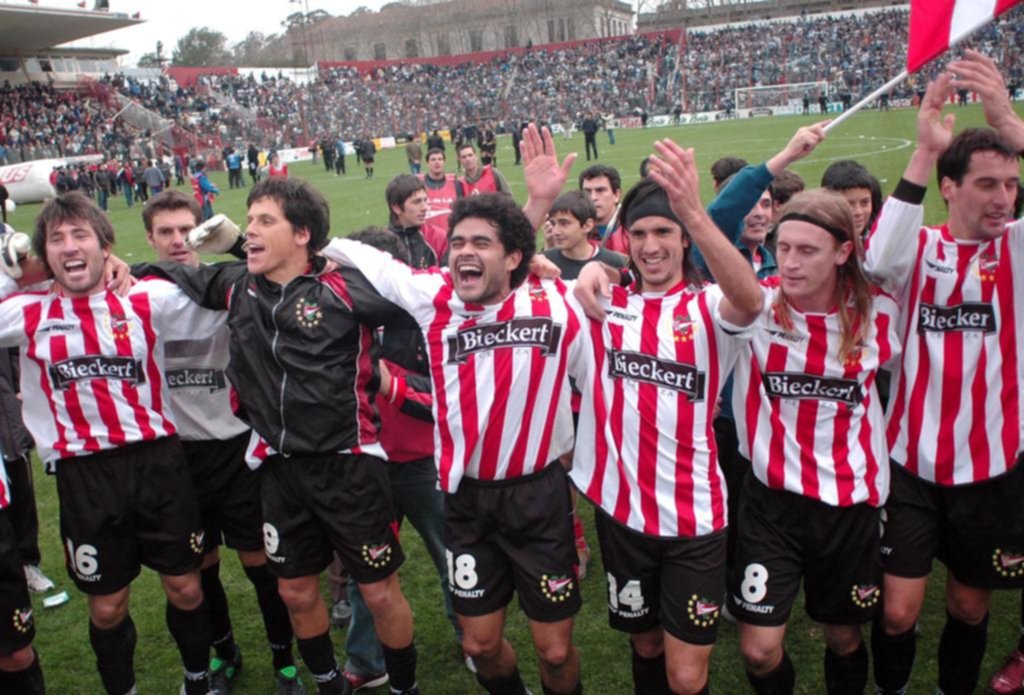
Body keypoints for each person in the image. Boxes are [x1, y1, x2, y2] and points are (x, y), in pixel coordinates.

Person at [321, 125, 585, 695]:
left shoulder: (559, 302)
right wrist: (265, 237)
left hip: (539, 495)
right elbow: (351, 250)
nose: (464, 251)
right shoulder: (433, 294)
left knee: (557, 651)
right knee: (481, 647)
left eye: (481, 243)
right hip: (465, 498)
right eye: (457, 242)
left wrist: (542, 210)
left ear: (515, 257)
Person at [133, 178, 423, 695]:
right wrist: (125, 269)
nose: (250, 230)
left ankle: (404, 687)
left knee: (379, 593)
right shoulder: (235, 285)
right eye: (250, 220)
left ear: (304, 234)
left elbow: (430, 301)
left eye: (266, 221)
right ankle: (327, 682)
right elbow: (179, 272)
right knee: (293, 591)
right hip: (279, 470)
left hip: (349, 465)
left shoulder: (345, 288)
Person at [0, 193, 225, 695]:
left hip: (159, 464)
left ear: (105, 245)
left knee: (187, 589)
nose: (69, 246)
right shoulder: (26, 312)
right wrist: (16, 269)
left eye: (81, 234)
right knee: (107, 606)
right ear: (43, 254)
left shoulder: (145, 298)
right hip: (86, 478)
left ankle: (197, 679)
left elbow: (223, 293)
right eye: (56, 239)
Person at [569, 138, 764, 694]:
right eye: (641, 233)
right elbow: (526, 283)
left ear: (683, 238)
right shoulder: (604, 304)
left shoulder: (707, 306)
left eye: (664, 232)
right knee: (646, 644)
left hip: (695, 521)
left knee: (685, 674)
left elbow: (750, 302)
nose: (652, 246)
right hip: (622, 514)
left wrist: (697, 214)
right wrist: (583, 272)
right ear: (625, 239)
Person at [865, 52, 1024, 695]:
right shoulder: (920, 249)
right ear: (950, 188)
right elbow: (878, 259)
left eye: (1012, 183)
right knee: (898, 611)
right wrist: (925, 150)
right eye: (987, 183)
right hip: (911, 464)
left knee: (968, 606)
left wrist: (1012, 128)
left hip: (991, 468)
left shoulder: (1017, 249)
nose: (1004, 197)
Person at [727, 189, 900, 695]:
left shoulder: (879, 312)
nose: (791, 262)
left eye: (808, 250)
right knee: (758, 651)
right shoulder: (757, 306)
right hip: (770, 502)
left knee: (843, 636)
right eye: (784, 248)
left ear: (844, 252)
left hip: (847, 505)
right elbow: (698, 252)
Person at [140, 191, 302, 694]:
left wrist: (237, 246)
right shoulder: (134, 295)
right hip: (179, 457)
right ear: (148, 238)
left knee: (261, 566)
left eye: (185, 229)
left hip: (237, 448)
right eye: (164, 232)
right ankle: (224, 652)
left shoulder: (235, 286)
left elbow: (292, 270)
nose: (176, 241)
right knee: (199, 570)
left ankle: (286, 665)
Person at [339, 226, 465, 690]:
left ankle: (471, 637)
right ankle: (367, 659)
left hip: (423, 461)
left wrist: (397, 387)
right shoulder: (342, 312)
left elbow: (451, 394)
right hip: (366, 463)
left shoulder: (426, 310)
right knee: (365, 569)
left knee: (453, 560)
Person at [385, 174, 448, 269]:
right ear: (396, 207)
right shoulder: (382, 244)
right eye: (417, 202)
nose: (426, 208)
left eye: (425, 200)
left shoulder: (438, 238)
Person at [821, 160, 883, 238]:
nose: (858, 212)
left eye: (865, 203)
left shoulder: (877, 237)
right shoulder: (816, 241)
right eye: (848, 204)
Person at [578, 164, 623, 252]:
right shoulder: (575, 229)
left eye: (600, 190)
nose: (593, 197)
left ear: (617, 195)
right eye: (587, 192)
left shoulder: (633, 226)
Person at [419, 148, 464, 235]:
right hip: (425, 237)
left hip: (450, 236)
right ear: (427, 163)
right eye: (433, 159)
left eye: (440, 159)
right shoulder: (418, 184)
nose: (437, 162)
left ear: (444, 162)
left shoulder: (455, 183)